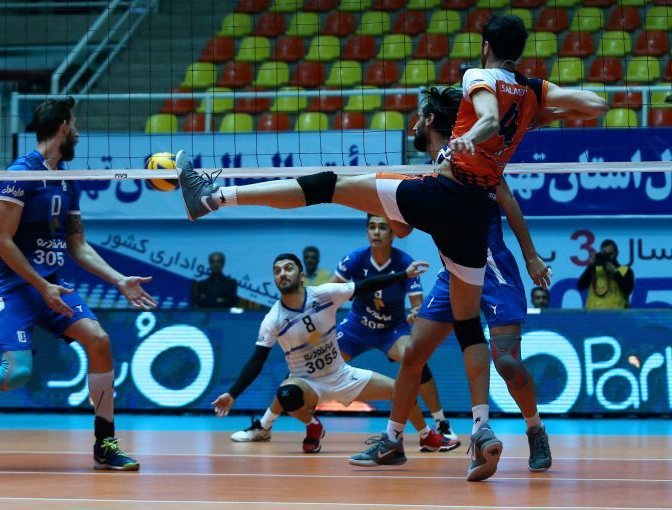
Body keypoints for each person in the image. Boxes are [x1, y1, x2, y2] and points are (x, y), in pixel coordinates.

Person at [175, 14, 607, 481]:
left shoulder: (477, 76)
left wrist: (473, 134)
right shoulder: (530, 89)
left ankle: (213, 197)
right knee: (465, 326)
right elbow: (595, 104)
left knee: (327, 184)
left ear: (485, 45)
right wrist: (539, 113)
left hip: (446, 193)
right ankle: (479, 430)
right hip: (471, 221)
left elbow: (485, 118)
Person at [0, 97, 157, 471]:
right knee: (17, 374)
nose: (78, 134)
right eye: (75, 126)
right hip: (12, 286)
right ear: (63, 127)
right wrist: (41, 286)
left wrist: (119, 279)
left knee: (99, 340)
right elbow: (1, 242)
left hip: (51, 285)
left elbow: (77, 245)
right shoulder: (20, 173)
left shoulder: (67, 180)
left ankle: (105, 443)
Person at [349, 86, 553, 475]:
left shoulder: (470, 157)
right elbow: (402, 229)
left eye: (417, 117)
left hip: (494, 270)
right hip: (453, 272)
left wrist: (530, 255)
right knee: (413, 353)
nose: (412, 124)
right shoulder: (428, 173)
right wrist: (379, 197)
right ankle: (392, 441)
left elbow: (509, 202)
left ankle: (534, 428)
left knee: (507, 362)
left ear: (429, 121)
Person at [231, 215, 459, 453]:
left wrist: (414, 312)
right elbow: (324, 295)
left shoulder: (405, 262)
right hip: (356, 327)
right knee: (299, 373)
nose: (376, 232)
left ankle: (441, 424)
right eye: (372, 227)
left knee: (415, 359)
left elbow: (416, 305)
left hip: (391, 329)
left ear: (393, 234)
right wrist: (313, 327)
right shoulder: (355, 258)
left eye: (382, 227)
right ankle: (264, 425)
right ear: (367, 232)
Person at [577, 239, 634, 309]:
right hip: (594, 313)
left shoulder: (625, 270)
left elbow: (628, 289)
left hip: (616, 314)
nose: (607, 257)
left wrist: (615, 272)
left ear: (616, 253)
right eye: (604, 254)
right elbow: (581, 286)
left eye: (609, 254)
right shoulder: (594, 270)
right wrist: (590, 266)